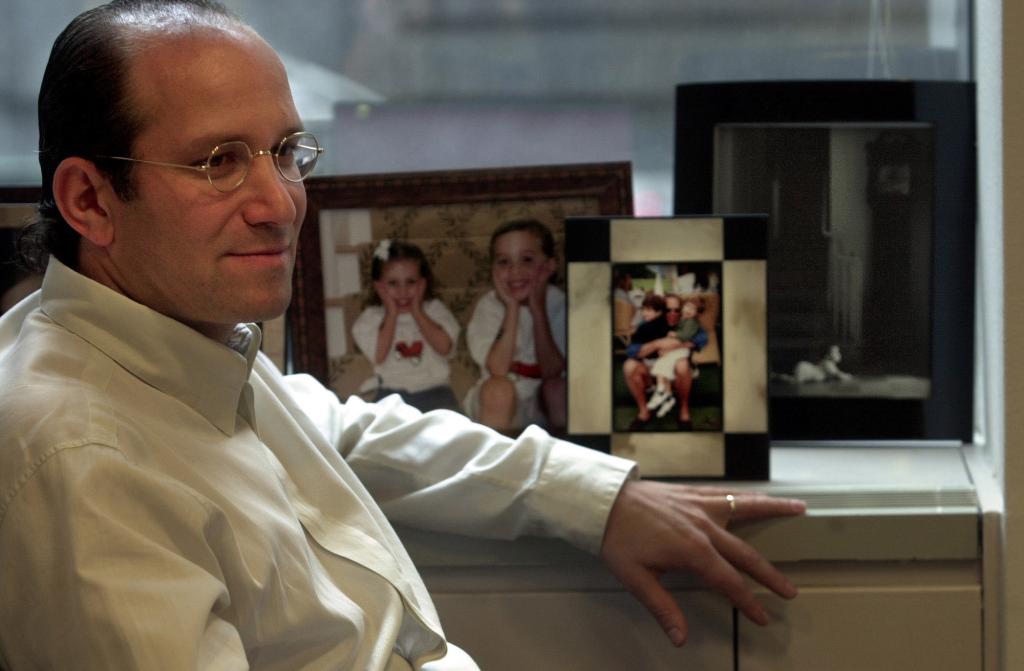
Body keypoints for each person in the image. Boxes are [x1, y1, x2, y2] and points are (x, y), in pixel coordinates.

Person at [0, 2, 805, 668]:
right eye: (218, 162)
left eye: (285, 152)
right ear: (90, 200)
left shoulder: (177, 347)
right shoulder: (79, 462)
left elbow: (350, 428)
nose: (279, 203)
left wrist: (599, 499)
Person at [464, 219, 567, 433]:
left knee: (557, 389)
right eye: (503, 262)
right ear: (493, 269)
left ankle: (564, 460)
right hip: (497, 402)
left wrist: (538, 311)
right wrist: (512, 307)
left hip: (543, 401)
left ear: (549, 266)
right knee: (499, 389)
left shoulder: (559, 303)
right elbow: (498, 369)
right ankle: (492, 461)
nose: (515, 271)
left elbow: (552, 370)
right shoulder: (488, 306)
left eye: (527, 260)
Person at [351, 239, 461, 413]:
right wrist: (392, 313)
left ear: (423, 283)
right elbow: (379, 355)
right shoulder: (370, 318)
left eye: (410, 282)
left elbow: (445, 348)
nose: (403, 291)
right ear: (379, 287)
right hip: (391, 393)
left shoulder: (434, 309)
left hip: (436, 391)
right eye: (393, 284)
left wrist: (417, 311)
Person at [646, 296, 709, 421]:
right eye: (668, 310)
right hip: (660, 355)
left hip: (680, 353)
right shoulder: (677, 319)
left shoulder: (691, 322)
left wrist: (676, 339)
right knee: (660, 365)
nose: (673, 313)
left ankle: (664, 393)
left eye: (676, 310)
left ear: (697, 313)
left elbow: (700, 337)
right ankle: (667, 396)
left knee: (673, 364)